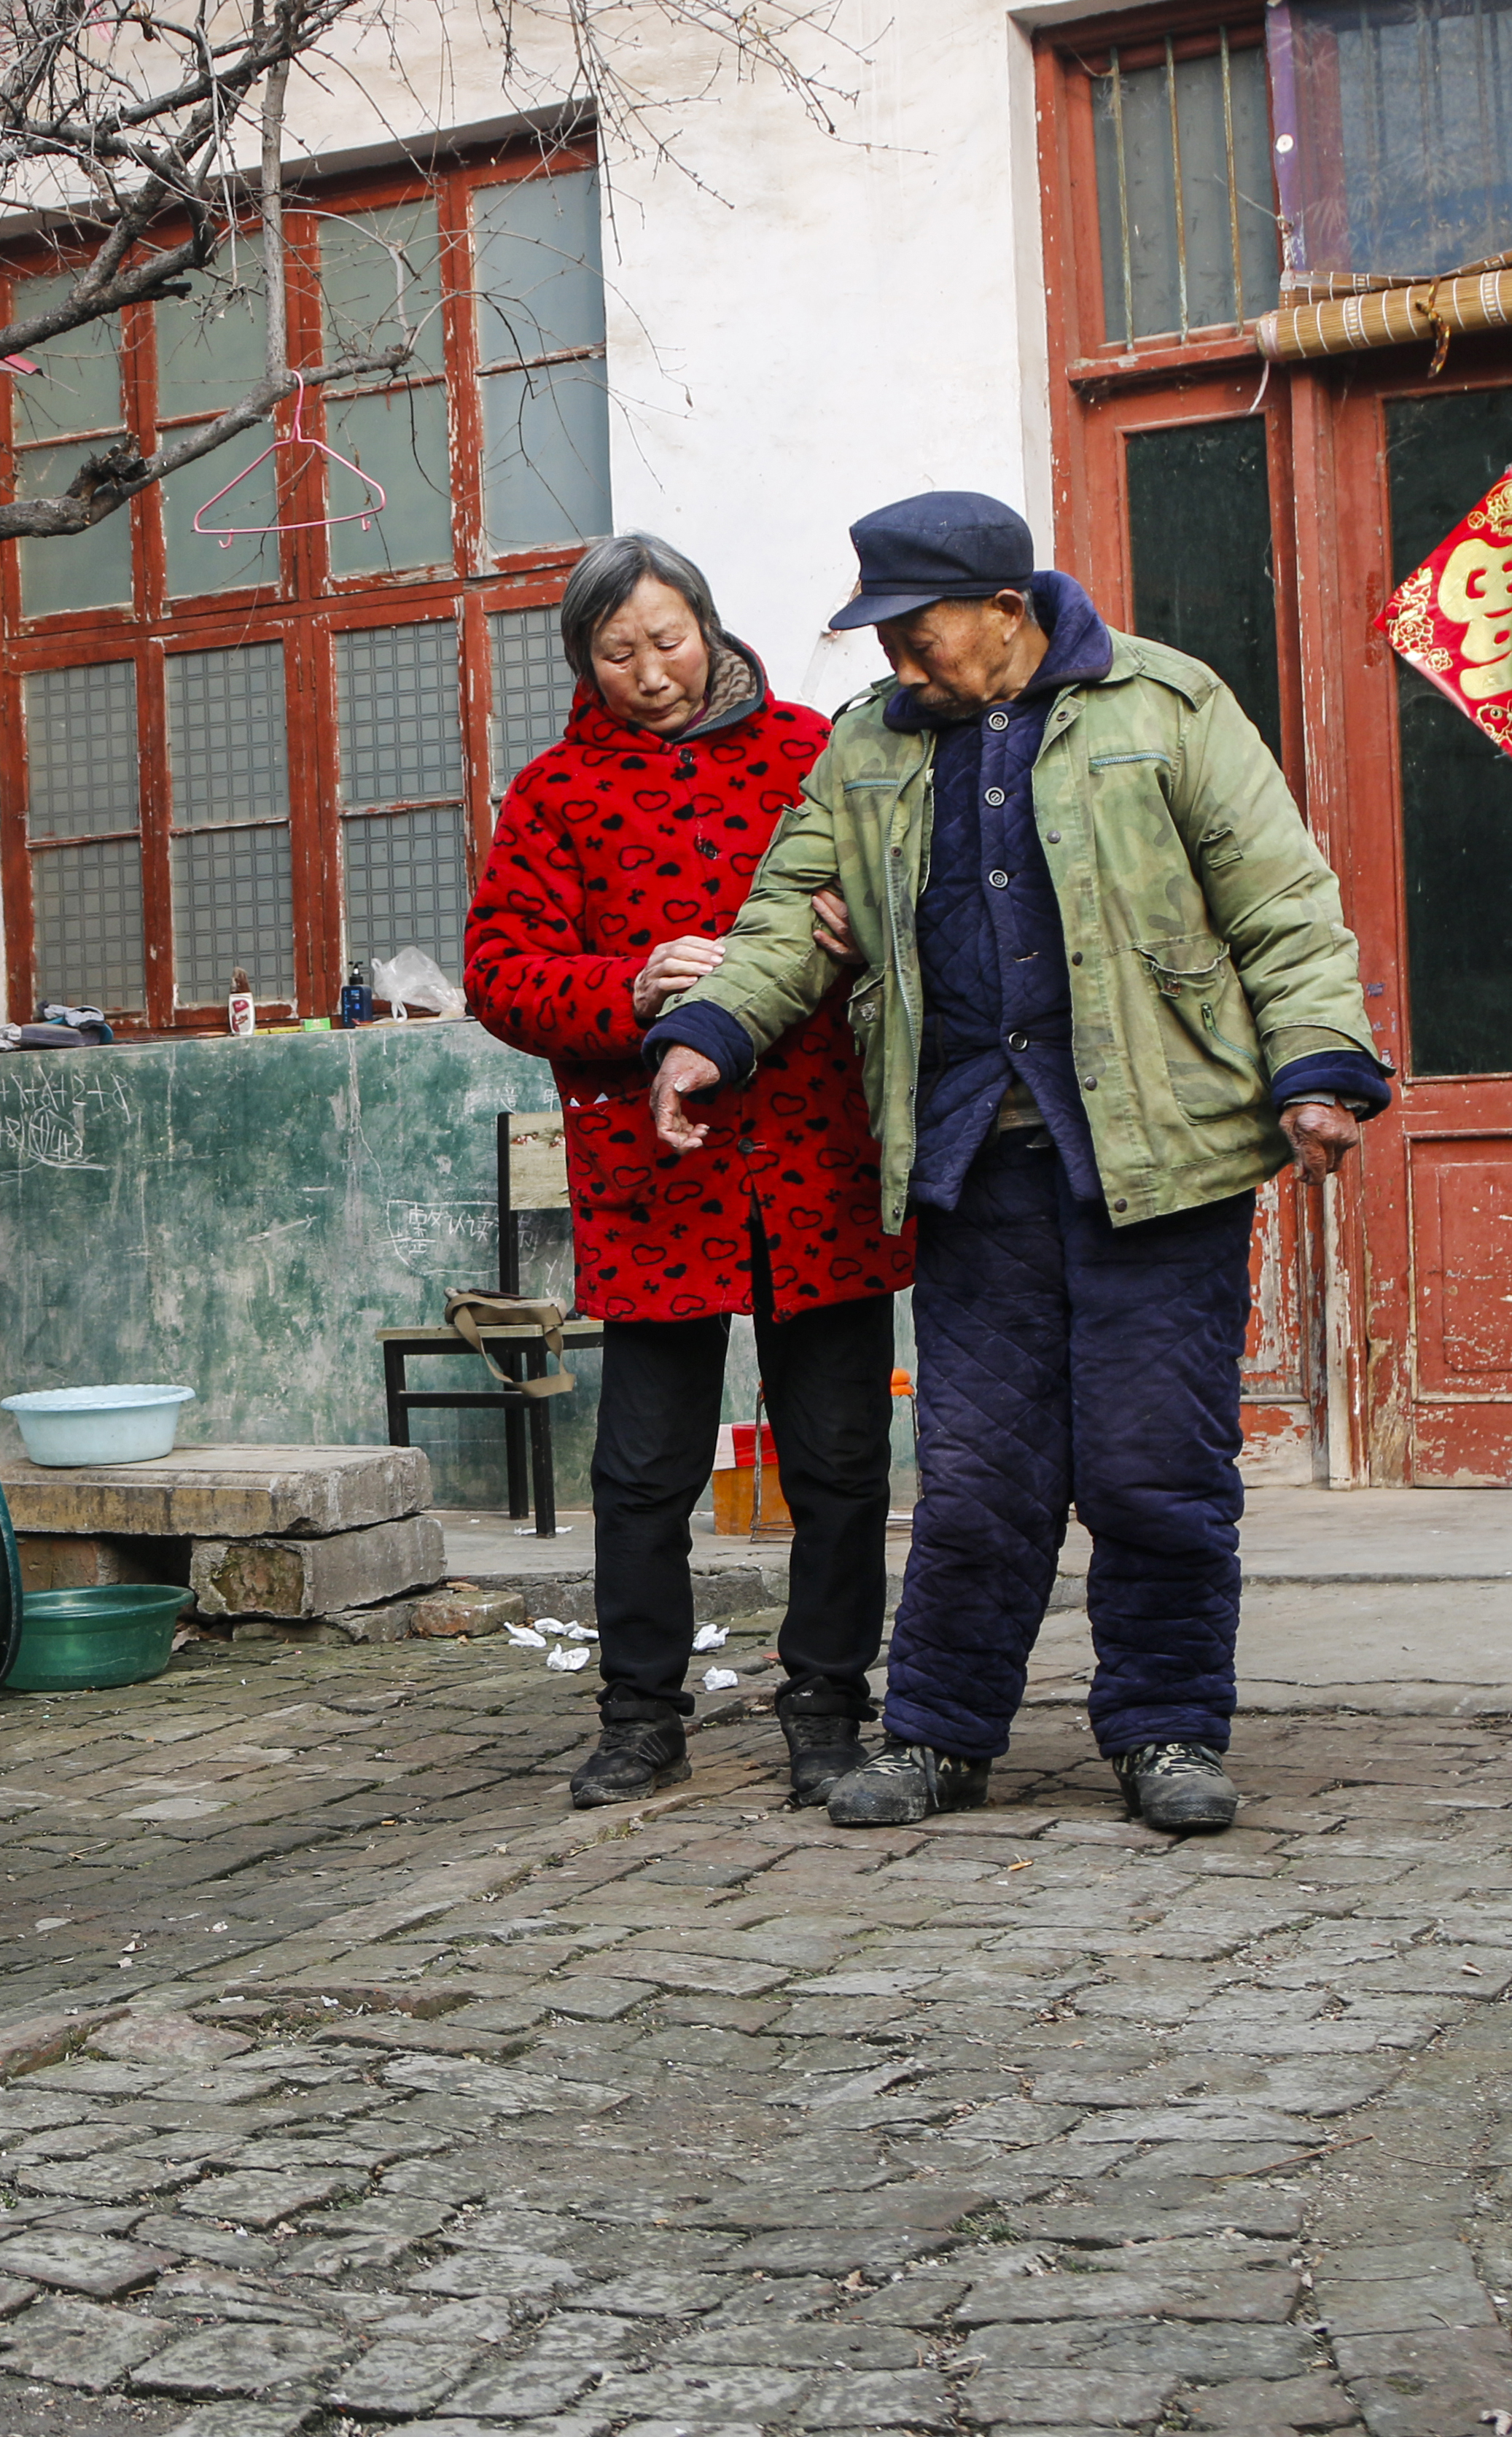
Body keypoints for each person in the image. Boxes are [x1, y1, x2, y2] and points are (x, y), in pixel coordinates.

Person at [642, 491, 1385, 1835]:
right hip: (974, 1164)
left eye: (918, 634)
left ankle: (1164, 1728)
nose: (897, 665)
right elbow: (781, 920)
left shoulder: (1167, 705)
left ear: (1008, 609)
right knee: (979, 1480)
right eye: (880, 639)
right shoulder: (870, 749)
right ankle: (938, 1736)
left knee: (1155, 1468)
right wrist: (708, 1035)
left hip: (1160, 1162)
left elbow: (1282, 903)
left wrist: (1319, 1066)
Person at [466, 535, 914, 1811]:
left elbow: (908, 900)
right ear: (583, 662)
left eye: (667, 639)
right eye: (617, 653)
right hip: (654, 1171)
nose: (650, 672)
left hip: (818, 1154)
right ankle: (640, 1713)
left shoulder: (806, 758)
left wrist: (860, 925)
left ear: (709, 626)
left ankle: (828, 1703)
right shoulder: (554, 795)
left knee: (837, 1457)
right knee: (644, 1471)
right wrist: (626, 984)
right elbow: (501, 974)